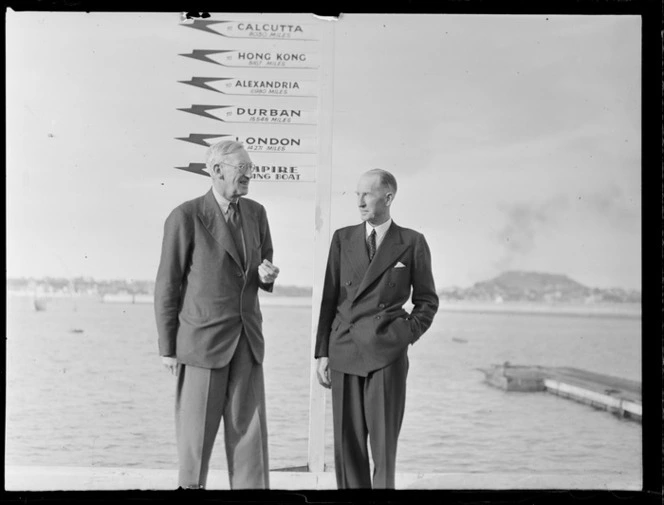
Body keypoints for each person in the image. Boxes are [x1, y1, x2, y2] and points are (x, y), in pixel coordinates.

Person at [154, 140, 280, 490]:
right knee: (195, 445)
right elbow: (167, 285)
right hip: (201, 344)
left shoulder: (257, 213)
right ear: (216, 170)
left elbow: (261, 265)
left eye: (250, 170)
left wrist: (266, 276)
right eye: (243, 169)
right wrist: (167, 348)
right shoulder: (185, 215)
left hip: (247, 342)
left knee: (250, 444)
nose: (249, 176)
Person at [314, 169, 439, 489]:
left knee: (384, 446)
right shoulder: (342, 238)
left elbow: (427, 300)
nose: (359, 201)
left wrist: (405, 334)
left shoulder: (411, 241)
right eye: (356, 194)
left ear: (388, 197)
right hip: (343, 349)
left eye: (367, 194)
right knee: (347, 445)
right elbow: (329, 298)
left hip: (387, 352)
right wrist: (322, 353)